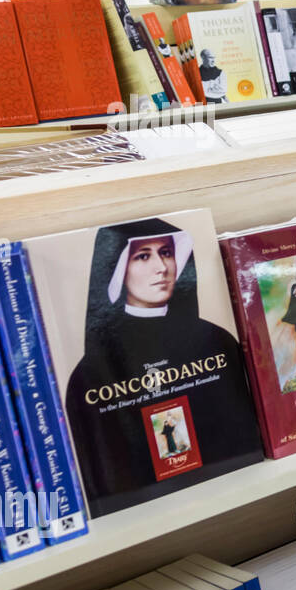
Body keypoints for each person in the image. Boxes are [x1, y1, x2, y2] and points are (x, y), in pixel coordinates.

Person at [63, 218, 263, 516]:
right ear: (117, 267)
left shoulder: (217, 342)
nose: (162, 267)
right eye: (143, 255)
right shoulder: (89, 374)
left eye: (166, 252)